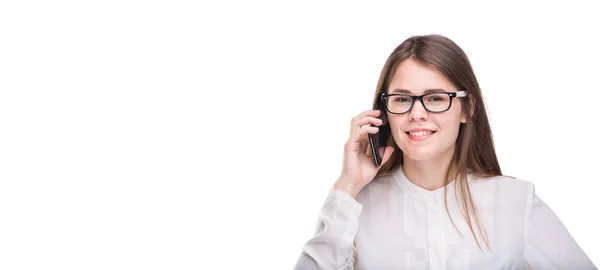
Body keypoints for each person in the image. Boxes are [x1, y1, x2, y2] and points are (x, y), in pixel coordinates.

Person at [293, 34, 596, 269]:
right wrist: (348, 186)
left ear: (468, 108)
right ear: (384, 112)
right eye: (402, 99)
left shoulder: (517, 202)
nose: (417, 114)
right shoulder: (355, 207)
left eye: (436, 98)